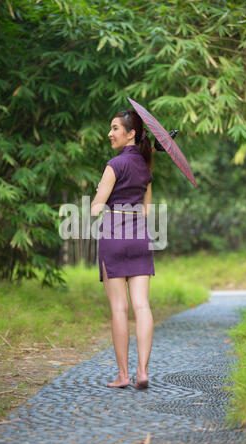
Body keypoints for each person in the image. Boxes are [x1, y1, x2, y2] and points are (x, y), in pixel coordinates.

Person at [91, 110, 155, 390]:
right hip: (139, 238)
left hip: (114, 237)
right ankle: (143, 371)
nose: (110, 133)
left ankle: (123, 376)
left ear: (131, 133)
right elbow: (146, 211)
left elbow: (95, 210)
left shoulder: (114, 165)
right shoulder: (145, 167)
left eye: (115, 128)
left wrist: (99, 193)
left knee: (120, 309)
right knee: (142, 306)